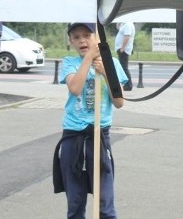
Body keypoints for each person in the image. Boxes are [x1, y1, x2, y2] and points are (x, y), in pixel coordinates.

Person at [53, 22, 127, 219]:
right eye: (76, 37)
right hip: (73, 136)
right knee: (75, 203)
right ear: (70, 41)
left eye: (87, 34)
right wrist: (88, 59)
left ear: (98, 38)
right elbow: (75, 88)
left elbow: (119, 102)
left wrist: (105, 72)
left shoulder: (111, 63)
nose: (82, 40)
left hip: (99, 136)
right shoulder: (69, 62)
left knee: (105, 204)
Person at [114, 21, 134, 91]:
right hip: (122, 49)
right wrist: (118, 21)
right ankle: (127, 85)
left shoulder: (128, 24)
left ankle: (128, 85)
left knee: (124, 67)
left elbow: (127, 36)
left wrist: (123, 47)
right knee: (123, 67)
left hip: (124, 49)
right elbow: (117, 28)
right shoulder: (124, 23)